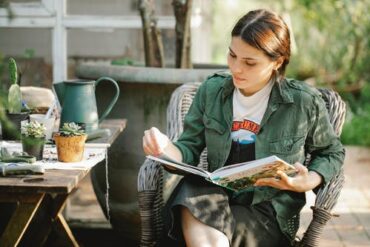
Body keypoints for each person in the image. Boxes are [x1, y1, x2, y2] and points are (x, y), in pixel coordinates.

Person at [143, 9, 345, 247]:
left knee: (193, 224)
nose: (236, 69)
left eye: (250, 62)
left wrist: (308, 180)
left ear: (277, 62)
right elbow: (188, 148)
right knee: (191, 189)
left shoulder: (303, 102)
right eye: (232, 56)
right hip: (216, 199)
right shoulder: (212, 91)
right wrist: (164, 149)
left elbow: (332, 152)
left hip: (268, 213)